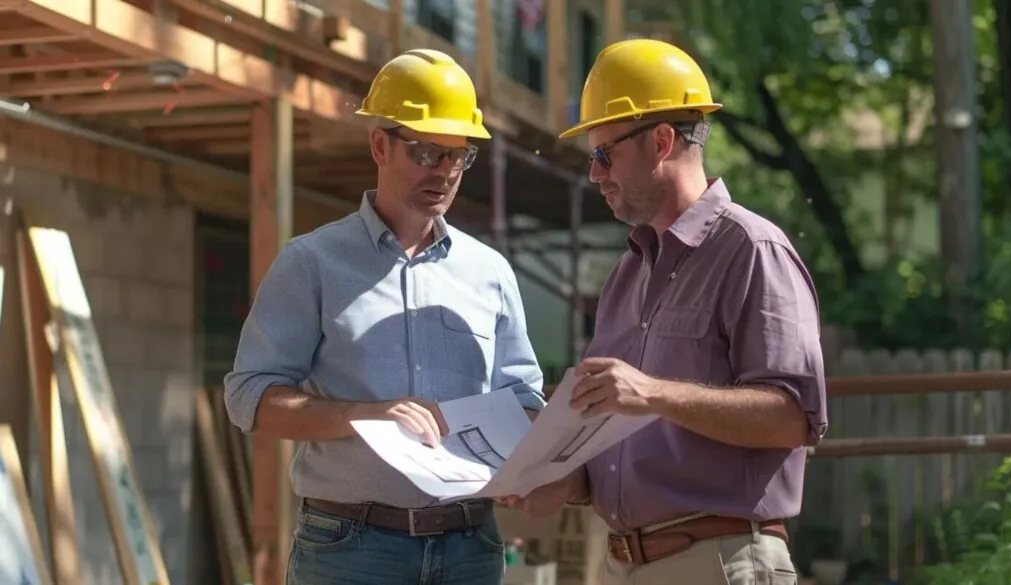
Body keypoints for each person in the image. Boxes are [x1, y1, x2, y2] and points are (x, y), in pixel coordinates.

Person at [500, 38, 828, 584]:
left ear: (660, 141)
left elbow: (794, 417)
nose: (594, 174)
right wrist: (565, 483)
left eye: (604, 153)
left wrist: (653, 393)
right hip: (621, 563)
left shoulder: (752, 249)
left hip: (721, 562)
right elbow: (621, 437)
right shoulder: (627, 273)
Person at [224, 48, 546, 585]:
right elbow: (250, 397)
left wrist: (525, 458)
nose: (443, 172)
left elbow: (524, 400)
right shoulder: (312, 263)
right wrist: (366, 416)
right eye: (426, 153)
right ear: (380, 144)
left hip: (471, 546)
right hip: (350, 550)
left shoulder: (490, 272)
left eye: (457, 157)